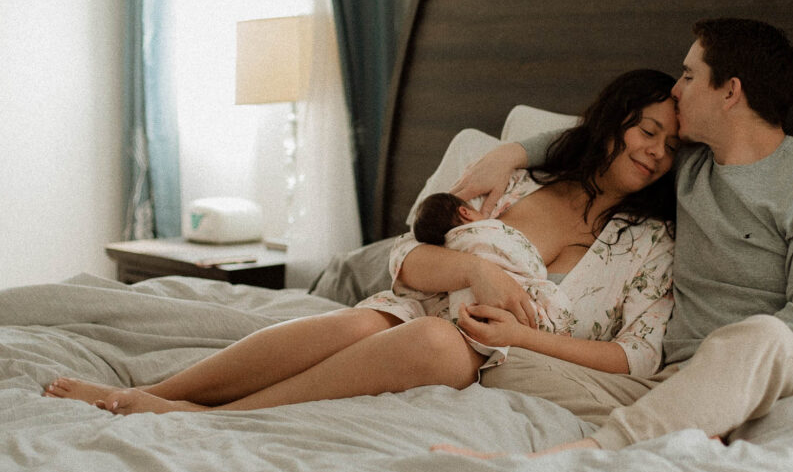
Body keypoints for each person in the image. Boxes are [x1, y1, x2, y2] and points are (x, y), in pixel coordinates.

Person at [44, 68, 681, 415]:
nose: (655, 152)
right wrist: (476, 273)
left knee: (433, 338)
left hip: (504, 353)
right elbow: (406, 259)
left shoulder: (650, 242)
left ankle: (214, 417)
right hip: (421, 307)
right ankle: (160, 392)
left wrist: (518, 335)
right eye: (646, 130)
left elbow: (640, 357)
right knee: (361, 323)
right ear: (612, 121)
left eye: (672, 145)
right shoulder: (511, 181)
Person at [433, 18, 793, 458]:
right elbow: (598, 137)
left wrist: (719, 381)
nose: (677, 90)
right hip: (674, 385)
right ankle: (680, 433)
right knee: (501, 364)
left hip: (787, 383)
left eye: (688, 75)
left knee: (764, 335)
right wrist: (511, 153)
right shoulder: (686, 165)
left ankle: (575, 456)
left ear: (730, 91)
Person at [389, 191, 573, 336]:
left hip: (461, 317)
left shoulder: (448, 249)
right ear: (465, 212)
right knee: (552, 301)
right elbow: (530, 262)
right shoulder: (492, 230)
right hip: (512, 298)